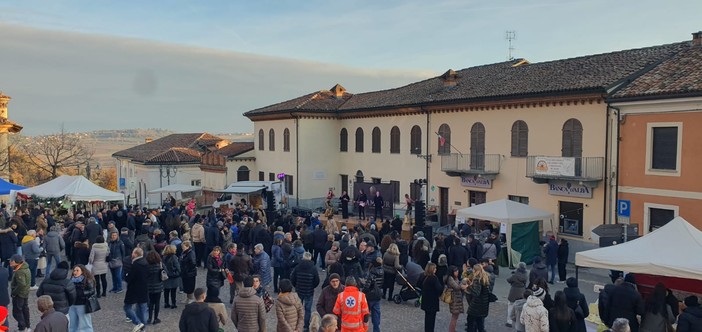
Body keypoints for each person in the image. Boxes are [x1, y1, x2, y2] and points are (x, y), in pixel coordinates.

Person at [290, 251, 320, 331]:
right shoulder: (313, 268)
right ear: (310, 258)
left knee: (297, 308)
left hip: (299, 291)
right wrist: (312, 286)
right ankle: (306, 326)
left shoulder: (298, 267)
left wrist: (296, 286)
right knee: (308, 309)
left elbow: (292, 278)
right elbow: (317, 280)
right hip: (309, 292)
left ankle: (297, 324)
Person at [124, 247, 149, 332]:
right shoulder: (146, 263)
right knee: (142, 308)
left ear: (135, 254)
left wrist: (126, 276)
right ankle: (143, 328)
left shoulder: (135, 264)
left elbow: (130, 277)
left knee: (127, 307)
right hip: (144, 288)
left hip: (133, 289)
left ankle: (138, 323)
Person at [68, 264, 96, 331]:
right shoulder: (71, 280)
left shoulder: (87, 280)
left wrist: (82, 293)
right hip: (72, 304)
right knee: (72, 325)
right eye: (74, 270)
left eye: (77, 270)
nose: (75, 272)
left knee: (85, 325)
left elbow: (92, 291)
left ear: (82, 271)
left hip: (82, 304)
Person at [466, 263, 491, 332]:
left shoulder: (477, 279)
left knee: (470, 321)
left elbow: (476, 293)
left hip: (476, 304)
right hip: (484, 304)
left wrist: (468, 287)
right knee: (479, 322)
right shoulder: (486, 277)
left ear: (475, 270)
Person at [10, 254, 30, 332]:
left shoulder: (19, 272)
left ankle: (22, 327)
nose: (10, 262)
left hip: (19, 294)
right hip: (25, 293)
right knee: (25, 310)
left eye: (12, 261)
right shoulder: (25, 268)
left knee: (17, 312)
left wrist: (14, 292)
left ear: (16, 262)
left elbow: (22, 284)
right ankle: (27, 326)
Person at [364, 256, 384, 332]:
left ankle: (363, 329)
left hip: (370, 295)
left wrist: (364, 291)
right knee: (376, 314)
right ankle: (376, 330)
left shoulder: (372, 272)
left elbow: (368, 285)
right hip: (377, 294)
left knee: (365, 313)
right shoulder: (382, 271)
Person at [145, 250, 164, 325]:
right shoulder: (160, 265)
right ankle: (156, 318)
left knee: (150, 303)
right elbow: (165, 272)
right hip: (158, 286)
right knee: (157, 302)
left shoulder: (146, 266)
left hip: (149, 286)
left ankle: (149, 318)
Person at [507, 262, 529, 328]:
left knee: (511, 305)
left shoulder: (515, 275)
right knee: (521, 307)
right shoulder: (526, 274)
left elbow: (508, 280)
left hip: (514, 291)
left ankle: (509, 321)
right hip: (522, 291)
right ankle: (519, 321)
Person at [444, 266, 464, 332]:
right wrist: (463, 282)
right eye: (456, 271)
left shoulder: (454, 278)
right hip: (455, 299)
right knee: (454, 317)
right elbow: (457, 287)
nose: (457, 272)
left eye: (457, 271)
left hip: (456, 299)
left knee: (455, 316)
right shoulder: (451, 279)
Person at [162, 244, 181, 309]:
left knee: (166, 290)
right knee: (173, 291)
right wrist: (178, 273)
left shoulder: (163, 257)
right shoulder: (174, 257)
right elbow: (177, 266)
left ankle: (166, 303)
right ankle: (173, 303)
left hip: (166, 276)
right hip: (173, 276)